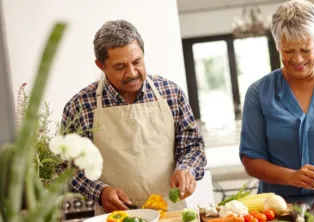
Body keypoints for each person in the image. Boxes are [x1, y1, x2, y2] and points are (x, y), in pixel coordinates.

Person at [61, 20, 207, 214]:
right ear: (101, 65)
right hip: (116, 215)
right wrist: (101, 192)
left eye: (137, 62)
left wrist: (186, 168)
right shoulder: (79, 107)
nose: (132, 73)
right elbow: (69, 169)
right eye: (120, 67)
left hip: (170, 212)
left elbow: (193, 147)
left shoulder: (172, 94)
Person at [239, 0, 314, 199]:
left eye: (305, 49)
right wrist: (292, 177)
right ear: (277, 45)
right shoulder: (258, 93)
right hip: (279, 207)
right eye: (288, 51)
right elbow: (251, 160)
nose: (297, 59)